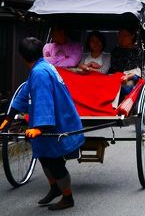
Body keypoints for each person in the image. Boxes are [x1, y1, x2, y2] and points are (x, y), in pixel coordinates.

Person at [0, 37, 84, 210]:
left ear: (22, 57)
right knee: (43, 155)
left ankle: (67, 197)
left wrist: (39, 128)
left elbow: (44, 102)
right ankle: (55, 188)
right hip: (57, 120)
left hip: (57, 123)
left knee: (54, 161)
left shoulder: (40, 72)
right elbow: (24, 93)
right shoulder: (41, 67)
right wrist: (9, 116)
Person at [108, 28, 143, 100]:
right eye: (119, 36)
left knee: (124, 87)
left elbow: (139, 70)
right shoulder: (116, 50)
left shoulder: (138, 51)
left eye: (124, 36)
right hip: (114, 76)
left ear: (132, 36)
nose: (121, 38)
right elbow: (112, 67)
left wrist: (127, 77)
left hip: (131, 76)